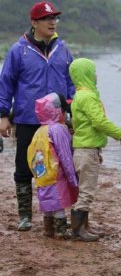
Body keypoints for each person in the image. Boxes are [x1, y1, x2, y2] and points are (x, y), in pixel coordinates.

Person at [0, 1, 75, 231]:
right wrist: (3, 115)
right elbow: (6, 84)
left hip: (57, 124)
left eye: (55, 18)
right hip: (27, 120)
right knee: (24, 168)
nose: (52, 22)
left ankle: (54, 217)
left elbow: (71, 83)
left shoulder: (62, 49)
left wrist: (72, 111)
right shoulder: (18, 50)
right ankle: (25, 216)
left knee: (57, 169)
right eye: (47, 18)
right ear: (34, 23)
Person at [69, 58, 121, 241]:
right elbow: (99, 121)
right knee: (87, 190)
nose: (96, 75)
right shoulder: (88, 97)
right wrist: (119, 134)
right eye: (93, 71)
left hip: (82, 148)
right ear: (86, 74)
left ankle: (84, 226)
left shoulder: (79, 95)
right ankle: (78, 230)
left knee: (84, 189)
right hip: (87, 151)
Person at [27, 93, 78, 239]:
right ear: (58, 111)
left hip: (41, 173)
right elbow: (65, 155)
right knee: (59, 203)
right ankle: (61, 231)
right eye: (64, 111)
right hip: (57, 174)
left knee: (48, 203)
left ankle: (48, 229)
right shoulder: (58, 129)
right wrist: (72, 177)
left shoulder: (39, 131)